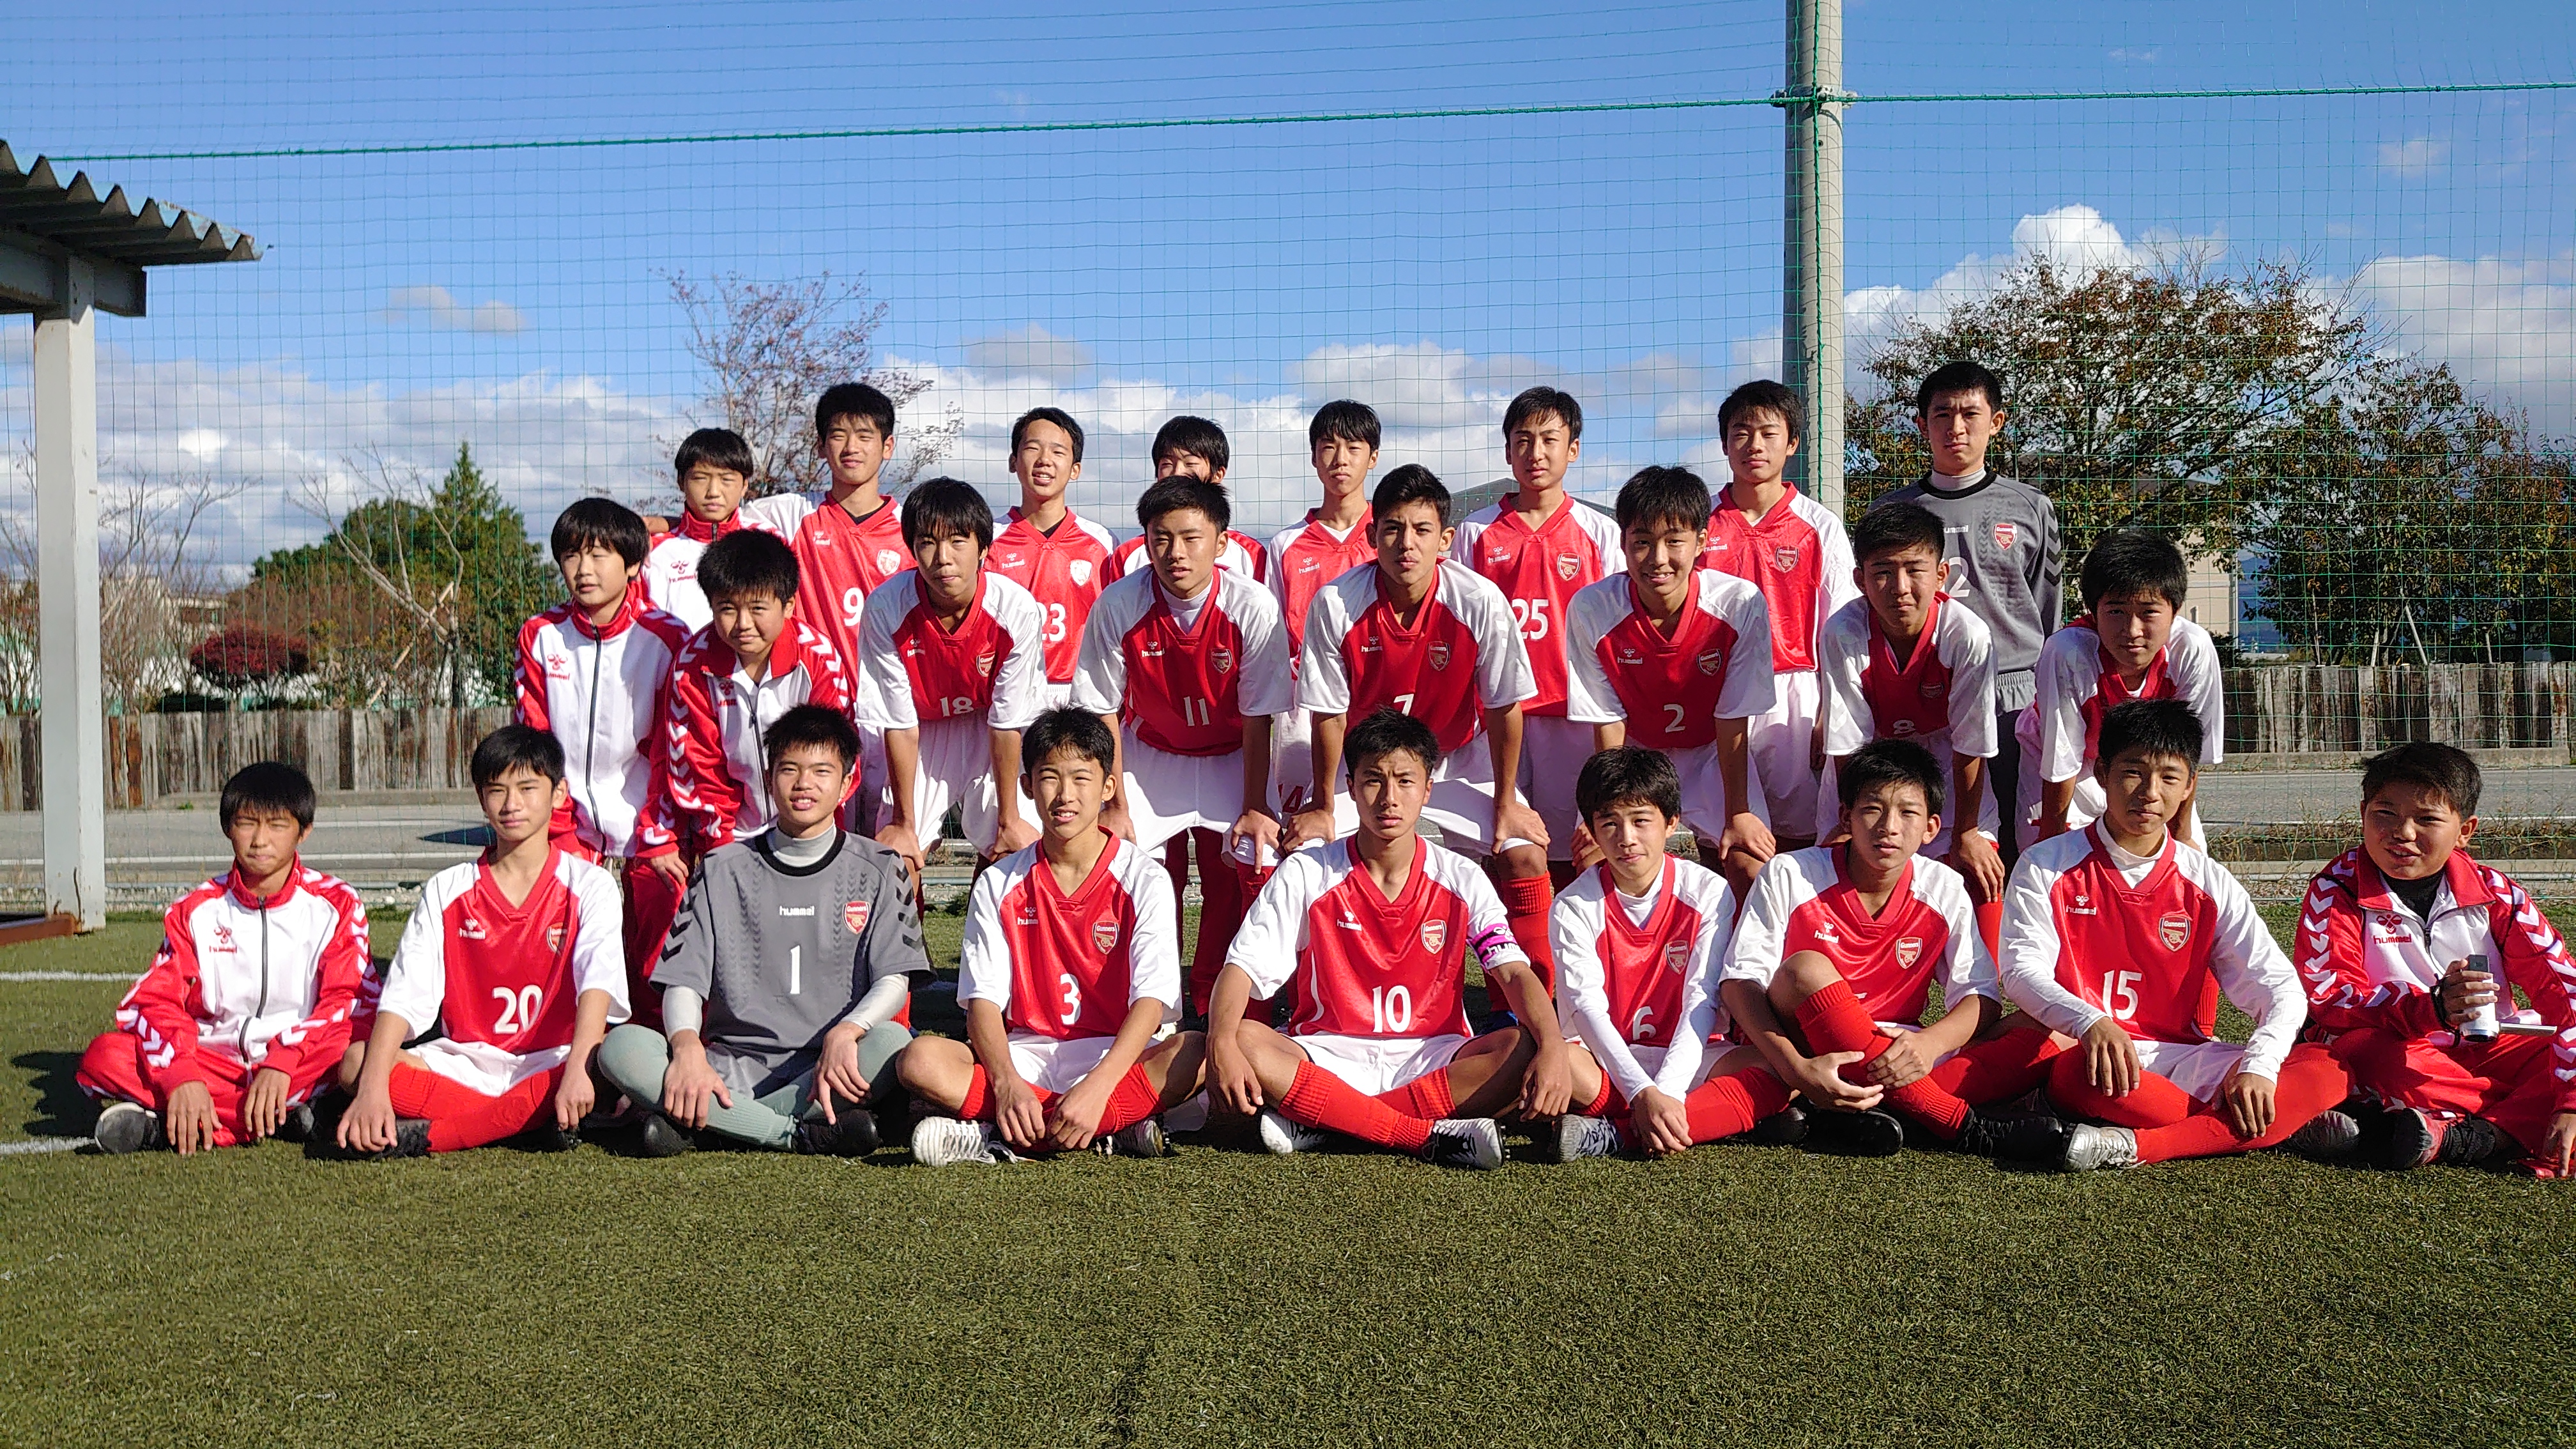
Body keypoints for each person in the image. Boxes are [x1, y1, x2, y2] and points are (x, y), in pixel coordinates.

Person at [1208, 709, 1572, 1169]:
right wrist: (1219, 1042)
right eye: (1374, 781)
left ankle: (1327, 1121)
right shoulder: (1307, 871)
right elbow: (1241, 968)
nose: (1389, 799)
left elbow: (1514, 972)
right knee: (1243, 1037)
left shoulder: (1461, 876)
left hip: (1433, 1055)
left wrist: (1554, 1046)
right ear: (1351, 787)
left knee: (1522, 1046)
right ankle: (1419, 1134)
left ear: (1427, 790)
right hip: (1326, 1054)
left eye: (1405, 781)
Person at [2002, 700, 2351, 1172]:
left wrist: (2259, 1066)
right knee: (2080, 1075)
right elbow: (2021, 971)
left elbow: (2280, 987)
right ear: (2102, 774)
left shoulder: (2207, 880)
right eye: (2133, 773)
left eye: (2169, 777)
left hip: (2181, 1057)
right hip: (2090, 1052)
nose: (2150, 793)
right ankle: (2279, 1124)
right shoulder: (2046, 864)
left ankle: (2138, 1145)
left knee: (2330, 1066)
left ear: (2189, 786)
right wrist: (2090, 1022)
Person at [597, 705, 929, 1157]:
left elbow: (895, 979)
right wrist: (686, 1045)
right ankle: (794, 1134)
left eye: (821, 771)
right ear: (769, 779)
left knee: (892, 1043)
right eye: (789, 770)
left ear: (847, 782)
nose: (804, 783)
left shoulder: (881, 867)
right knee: (621, 1047)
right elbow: (683, 982)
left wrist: (847, 1031)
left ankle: (711, 1125)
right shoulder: (720, 867)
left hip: (826, 1065)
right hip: (728, 1068)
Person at [1721, 739, 2069, 1159]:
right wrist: (1797, 1069)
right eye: (1873, 809)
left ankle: (1857, 1111)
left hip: (1901, 1053)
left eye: (1908, 813)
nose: (1889, 826)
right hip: (1807, 1052)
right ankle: (1957, 1123)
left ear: (1931, 828)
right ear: (1846, 816)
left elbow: (1981, 996)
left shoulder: (1943, 886)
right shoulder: (1790, 873)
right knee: (1805, 970)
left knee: (2049, 1029)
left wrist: (1929, 1046)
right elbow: (1740, 982)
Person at [1284, 464, 1557, 990]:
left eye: (1421, 529)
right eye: (1392, 529)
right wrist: (1322, 805)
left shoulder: (1478, 600)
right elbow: (1329, 714)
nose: (1406, 543)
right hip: (1371, 766)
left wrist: (1506, 801)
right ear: (1371, 536)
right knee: (1306, 852)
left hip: (1459, 756)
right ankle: (1317, 1000)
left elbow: (1504, 706)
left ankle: (1528, 1005)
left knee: (1523, 853)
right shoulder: (1336, 602)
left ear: (1445, 540)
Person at [900, 709, 1208, 1165]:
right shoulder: (999, 881)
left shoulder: (1145, 877)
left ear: (1108, 787)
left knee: (1196, 1052)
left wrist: (1098, 1086)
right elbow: (982, 1003)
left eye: (1082, 778)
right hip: (1026, 1055)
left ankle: (996, 1135)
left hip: (1115, 1055)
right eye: (1049, 778)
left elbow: (1151, 1002)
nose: (1065, 795)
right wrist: (1006, 1083)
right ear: (1027, 786)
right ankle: (1113, 1128)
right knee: (920, 1060)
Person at [334, 727, 628, 1158]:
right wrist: (372, 1090)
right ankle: (525, 1123)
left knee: (609, 1063)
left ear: (559, 794)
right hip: (466, 1065)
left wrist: (579, 1067)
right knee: (357, 1065)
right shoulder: (447, 888)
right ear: (480, 798)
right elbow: (404, 995)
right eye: (497, 790)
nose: (511, 804)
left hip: (557, 1062)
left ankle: (435, 1136)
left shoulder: (591, 884)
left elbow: (597, 984)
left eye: (527, 788)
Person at [2294, 742, 2576, 1176]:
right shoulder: (2336, 891)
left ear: (2465, 830)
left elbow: (2564, 990)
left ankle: (2451, 1135)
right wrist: (2433, 1008)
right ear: (2363, 814)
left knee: (2562, 1057)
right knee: (2365, 1057)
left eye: (2426, 819)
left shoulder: (2498, 894)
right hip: (2401, 1049)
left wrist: (2571, 1099)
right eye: (2385, 814)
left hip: (2490, 1046)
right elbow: (2330, 999)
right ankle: (2501, 1129)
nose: (2403, 833)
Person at [1073, 475, 1292, 1016]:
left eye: (1191, 538)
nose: (1176, 552)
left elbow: (1259, 715)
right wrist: (1115, 803)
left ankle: (1242, 1017)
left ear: (1221, 543)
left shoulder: (1253, 605)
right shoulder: (1119, 603)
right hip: (1153, 756)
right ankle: (1143, 1012)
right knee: (1118, 859)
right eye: (1162, 538)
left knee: (1258, 857)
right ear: (1146, 541)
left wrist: (1255, 804)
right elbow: (1102, 707)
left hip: (1231, 754)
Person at [81, 762, 373, 1156]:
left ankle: (173, 1128)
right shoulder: (195, 910)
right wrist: (182, 1076)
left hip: (301, 1062)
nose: (260, 840)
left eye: (277, 826)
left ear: (304, 831)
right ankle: (290, 1117)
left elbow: (349, 1000)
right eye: (247, 824)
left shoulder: (337, 903)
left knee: (358, 1051)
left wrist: (285, 1058)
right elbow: (153, 1002)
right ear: (227, 828)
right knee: (105, 1057)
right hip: (213, 1064)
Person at [1539, 747, 1802, 1163]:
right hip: (1602, 1060)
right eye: (1609, 823)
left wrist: (1667, 1091)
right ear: (1592, 829)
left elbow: (1702, 1000)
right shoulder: (1572, 905)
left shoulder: (1708, 892)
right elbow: (1587, 1010)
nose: (1626, 838)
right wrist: (1642, 1091)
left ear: (1671, 822)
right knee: (1554, 1064)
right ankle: (1717, 1116)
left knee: (1783, 1069)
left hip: (1692, 1054)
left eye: (1641, 821)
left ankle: (1617, 1135)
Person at [1874, 360, 2060, 873]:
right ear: (1922, 425)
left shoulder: (2031, 507)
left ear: (1996, 422)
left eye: (1970, 414)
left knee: (2021, 841)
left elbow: (2045, 607)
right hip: (1924, 695)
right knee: (1928, 835)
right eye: (1942, 415)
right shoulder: (1891, 512)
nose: (1956, 428)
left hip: (2012, 692)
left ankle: (2016, 925)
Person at [517, 496, 694, 1023]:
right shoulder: (541, 634)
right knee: (564, 945)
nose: (584, 569)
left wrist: (659, 833)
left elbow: (672, 748)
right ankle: (569, 1051)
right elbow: (534, 741)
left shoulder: (667, 637)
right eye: (572, 555)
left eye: (599, 555)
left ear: (634, 564)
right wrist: (556, 826)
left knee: (658, 946)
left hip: (648, 823)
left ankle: (656, 1049)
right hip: (568, 821)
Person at [1565, 464, 1775, 891]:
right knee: (1596, 862)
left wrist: (1738, 811)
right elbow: (1607, 720)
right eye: (1642, 542)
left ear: (1701, 542)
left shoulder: (1739, 603)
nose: (1658, 559)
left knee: (1749, 867)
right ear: (1623, 544)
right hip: (1635, 756)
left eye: (1674, 541)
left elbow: (1733, 717)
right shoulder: (1592, 608)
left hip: (1711, 754)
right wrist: (1608, 805)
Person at [1450, 387, 1624, 889]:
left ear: (1574, 448)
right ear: (1508, 450)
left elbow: (1616, 629)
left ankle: (1567, 939)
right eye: (1523, 441)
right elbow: (1459, 627)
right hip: (1496, 716)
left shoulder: (1599, 532)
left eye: (1550, 439)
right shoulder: (1475, 532)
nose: (1536, 453)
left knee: (1574, 848)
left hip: (1572, 715)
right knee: (1500, 848)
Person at [1816, 500, 2004, 949]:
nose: (1900, 587)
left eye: (1914, 570)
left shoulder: (1968, 635)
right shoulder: (1842, 632)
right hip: (1873, 761)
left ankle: (1987, 977)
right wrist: (1853, 818)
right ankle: (1861, 962)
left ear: (1941, 576)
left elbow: (1972, 741)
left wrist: (1968, 831)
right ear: (1859, 580)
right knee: (1844, 861)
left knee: (1978, 866)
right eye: (1882, 572)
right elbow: (1847, 741)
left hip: (1947, 755)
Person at [857, 477, 1048, 874]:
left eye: (958, 541)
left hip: (988, 725)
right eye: (928, 543)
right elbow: (899, 722)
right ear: (912, 548)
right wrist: (904, 824)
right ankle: (906, 918)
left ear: (984, 548)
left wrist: (1009, 819)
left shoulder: (1016, 609)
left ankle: (988, 917)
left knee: (1011, 847)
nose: (943, 558)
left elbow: (1007, 720)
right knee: (898, 856)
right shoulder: (886, 607)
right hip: (922, 729)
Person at [1699, 379, 1857, 850]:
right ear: (1725, 443)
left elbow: (1843, 624)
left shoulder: (1819, 525)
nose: (1755, 445)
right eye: (1741, 433)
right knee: (1723, 831)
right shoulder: (1699, 524)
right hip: (1715, 690)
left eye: (1769, 433)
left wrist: (1831, 708)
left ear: (1792, 444)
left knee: (1798, 833)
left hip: (1794, 691)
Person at [663, 529, 855, 864]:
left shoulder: (817, 660)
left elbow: (836, 757)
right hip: (730, 835)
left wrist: (808, 830)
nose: (743, 624)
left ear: (788, 605)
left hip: (810, 829)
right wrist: (722, 846)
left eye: (757, 608)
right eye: (727, 608)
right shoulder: (692, 667)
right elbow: (698, 763)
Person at [2024, 528, 2223, 848]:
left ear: (2175, 610)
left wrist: (2182, 835)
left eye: (2149, 612)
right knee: (2061, 853)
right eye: (2116, 611)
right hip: (2064, 769)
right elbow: (2061, 759)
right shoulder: (2067, 652)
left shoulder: (2192, 648)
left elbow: (2187, 756)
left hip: (2140, 764)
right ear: (2093, 611)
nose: (2132, 630)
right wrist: (2051, 843)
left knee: (2177, 856)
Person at [785, 383, 919, 827]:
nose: (851, 447)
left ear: (887, 446)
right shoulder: (792, 515)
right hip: (818, 707)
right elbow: (717, 517)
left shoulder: (913, 528)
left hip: (895, 711)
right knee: (820, 834)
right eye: (838, 435)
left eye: (864, 436)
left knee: (896, 838)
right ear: (821, 446)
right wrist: (655, 523)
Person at [1266, 399, 1381, 819]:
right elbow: (1273, 637)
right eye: (1329, 447)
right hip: (1304, 704)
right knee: (1300, 821)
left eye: (1353, 447)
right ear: (1314, 457)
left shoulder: (1389, 537)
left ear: (1373, 457)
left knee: (1378, 814)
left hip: (1375, 695)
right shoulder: (1286, 545)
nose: (1340, 459)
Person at [986, 406, 1119, 710]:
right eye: (1033, 448)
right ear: (1013, 461)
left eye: (1058, 452)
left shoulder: (1102, 543)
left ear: (1075, 469)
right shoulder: (988, 541)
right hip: (1008, 688)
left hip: (1083, 690)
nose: (1044, 459)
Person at [638, 427, 808, 633]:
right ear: (681, 482)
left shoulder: (769, 542)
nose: (713, 492)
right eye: (701, 478)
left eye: (726, 479)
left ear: (744, 485)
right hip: (677, 655)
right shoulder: (652, 550)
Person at [1107, 415, 1270, 580]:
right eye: (1167, 464)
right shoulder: (1128, 555)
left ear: (1218, 474)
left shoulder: (1250, 555)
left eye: (1190, 464)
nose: (1177, 473)